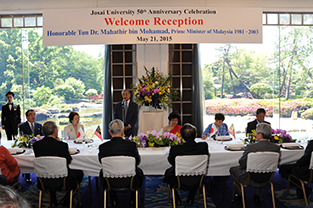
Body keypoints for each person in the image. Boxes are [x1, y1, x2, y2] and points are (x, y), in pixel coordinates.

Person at [33, 121, 84, 207]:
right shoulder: (62, 145)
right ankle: (67, 199)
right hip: (63, 181)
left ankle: (53, 199)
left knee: (50, 169)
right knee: (79, 173)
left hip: (44, 180)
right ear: (55, 131)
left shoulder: (36, 145)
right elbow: (68, 160)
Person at [229, 123, 280, 202]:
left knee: (233, 169)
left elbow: (242, 163)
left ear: (260, 135)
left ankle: (239, 194)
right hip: (267, 178)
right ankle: (256, 195)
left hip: (249, 179)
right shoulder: (276, 148)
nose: (255, 135)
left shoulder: (251, 147)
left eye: (256, 133)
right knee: (260, 168)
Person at [98, 119, 144, 207]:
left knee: (102, 172)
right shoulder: (131, 145)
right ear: (123, 131)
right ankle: (133, 197)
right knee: (139, 172)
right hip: (130, 180)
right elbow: (137, 161)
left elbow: (101, 162)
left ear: (109, 132)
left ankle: (113, 197)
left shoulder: (103, 147)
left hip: (110, 181)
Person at [163, 123, 209, 205]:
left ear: (181, 136)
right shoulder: (203, 146)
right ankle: (192, 194)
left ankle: (176, 197)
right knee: (195, 170)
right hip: (198, 180)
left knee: (168, 173)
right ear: (196, 135)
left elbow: (171, 161)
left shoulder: (176, 149)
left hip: (179, 180)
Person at [19, 109, 44, 184]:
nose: (33, 116)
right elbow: (22, 137)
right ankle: (27, 175)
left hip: (39, 147)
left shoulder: (39, 125)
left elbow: (42, 136)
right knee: (25, 158)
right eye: (31, 115)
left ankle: (41, 175)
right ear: (26, 117)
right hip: (27, 147)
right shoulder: (22, 126)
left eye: (34, 114)